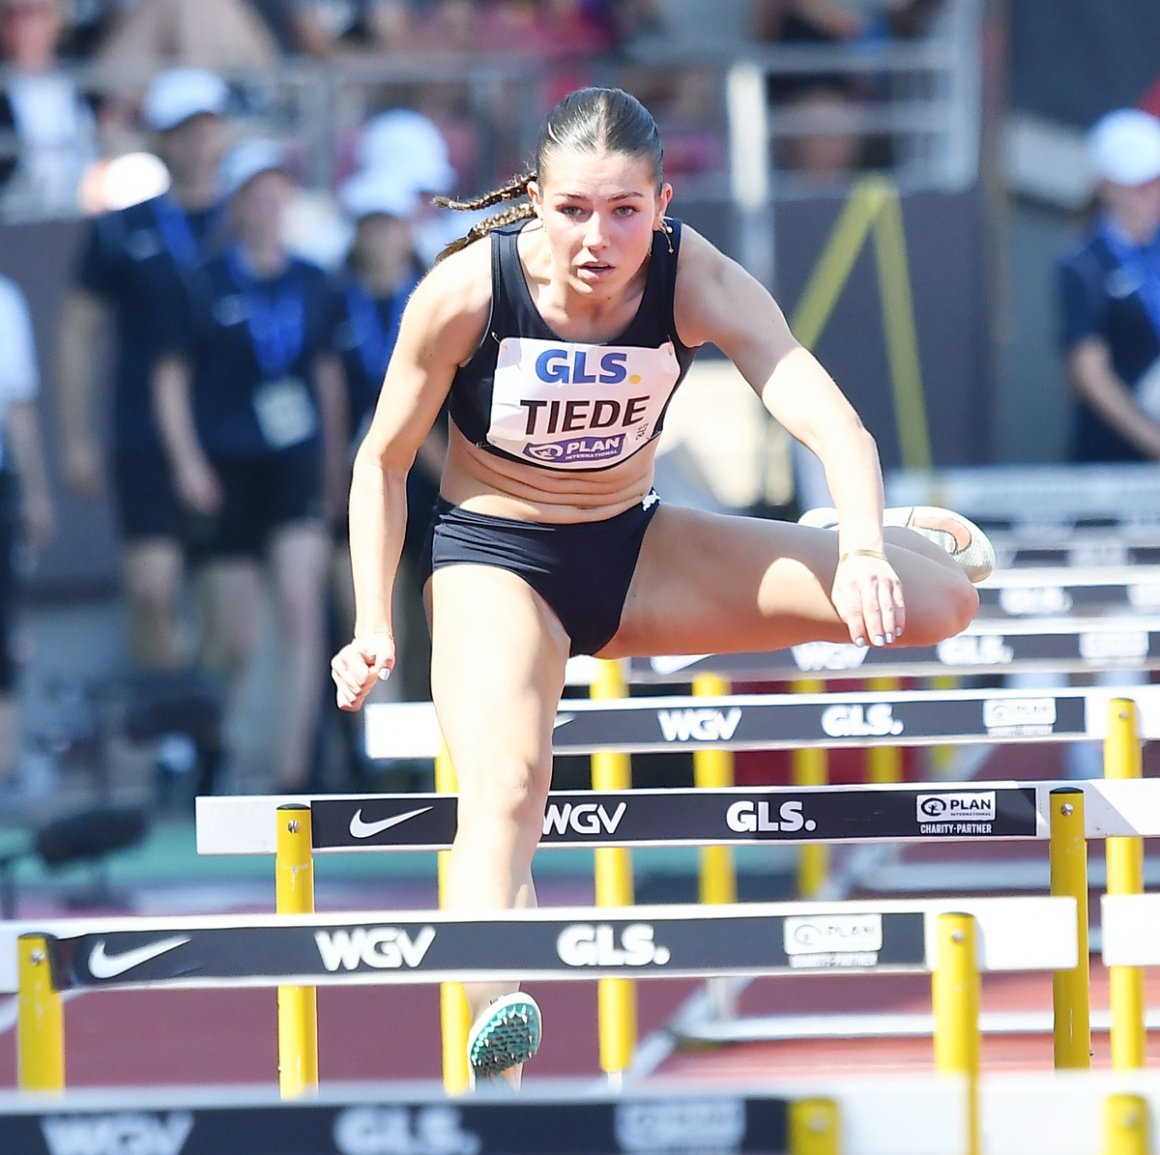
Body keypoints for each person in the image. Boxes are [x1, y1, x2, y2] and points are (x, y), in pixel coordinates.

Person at [328, 86, 991, 1088]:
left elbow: (832, 422)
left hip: (635, 550)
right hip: (497, 560)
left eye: (624, 212)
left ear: (663, 202)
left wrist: (858, 552)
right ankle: (500, 1019)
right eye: (573, 211)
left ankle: (849, 537)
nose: (598, 239)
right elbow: (380, 462)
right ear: (535, 201)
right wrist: (372, 619)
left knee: (943, 603)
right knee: (504, 788)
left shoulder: (694, 278)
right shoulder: (467, 291)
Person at [151, 138, 345, 790]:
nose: (266, 207)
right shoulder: (202, 281)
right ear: (237, 206)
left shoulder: (313, 280)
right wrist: (187, 463)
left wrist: (336, 464)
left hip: (294, 462)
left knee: (299, 603)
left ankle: (293, 767)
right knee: (238, 631)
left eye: (275, 195)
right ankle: (240, 751)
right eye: (254, 197)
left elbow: (326, 379)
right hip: (228, 463)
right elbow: (171, 378)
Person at [56, 66, 230, 672]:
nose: (196, 143)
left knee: (226, 601)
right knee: (151, 587)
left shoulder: (244, 217)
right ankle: (168, 719)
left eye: (206, 128)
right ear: (160, 138)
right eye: (182, 130)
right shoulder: (122, 227)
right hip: (142, 431)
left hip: (230, 429)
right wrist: (77, 436)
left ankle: (211, 739)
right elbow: (78, 333)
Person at [1056, 107, 1160, 463]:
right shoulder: (1083, 264)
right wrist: (1153, 439)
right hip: (1112, 459)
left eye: (1155, 182)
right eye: (1139, 185)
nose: (1151, 196)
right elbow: (1089, 373)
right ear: (1106, 188)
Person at [0, 273, 53, 790]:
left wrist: (36, 491)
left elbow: (17, 406)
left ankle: (4, 768)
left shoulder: (5, 300)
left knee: (2, 628)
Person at [0, 0, 101, 215]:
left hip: (79, 219)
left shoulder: (86, 86)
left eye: (34, 12)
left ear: (56, 19)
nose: (21, 24)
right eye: (11, 15)